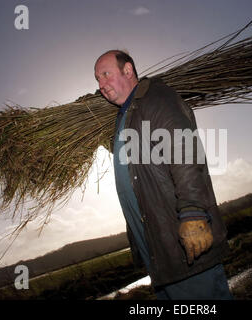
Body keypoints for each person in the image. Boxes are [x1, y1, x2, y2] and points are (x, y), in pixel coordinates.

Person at [93, 49, 232, 300]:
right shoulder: (125, 115)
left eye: (105, 74)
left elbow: (185, 153)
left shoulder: (155, 98)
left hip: (181, 237)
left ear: (128, 70)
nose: (101, 85)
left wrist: (193, 212)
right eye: (97, 80)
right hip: (159, 248)